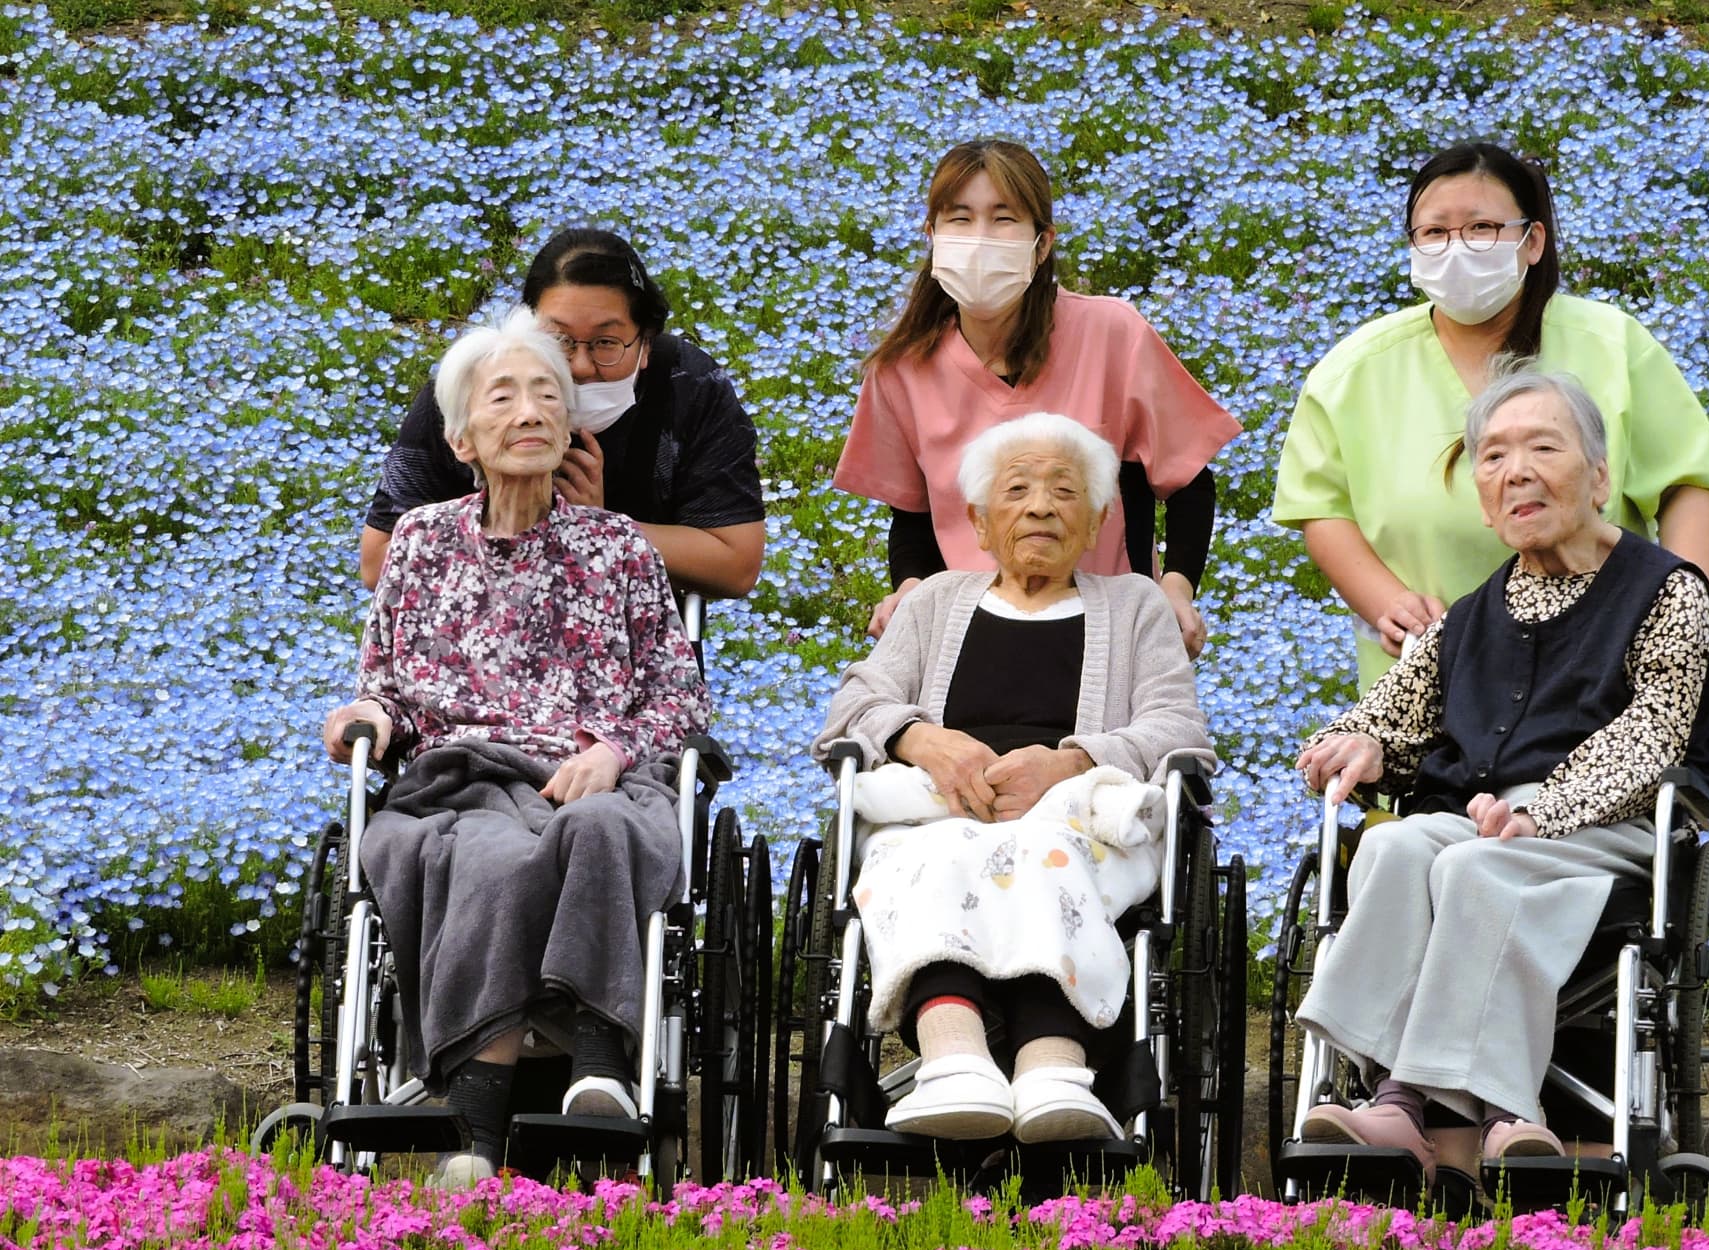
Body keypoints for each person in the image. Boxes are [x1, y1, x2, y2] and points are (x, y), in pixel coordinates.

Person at [1290, 366, 1709, 1179]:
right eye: (1491, 457)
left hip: (1610, 831)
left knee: (1471, 862)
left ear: (1599, 476)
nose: (1514, 470)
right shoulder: (1468, 614)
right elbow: (1395, 708)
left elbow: (1653, 732)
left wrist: (1547, 809)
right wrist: (1359, 742)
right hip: (1482, 823)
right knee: (1393, 848)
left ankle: (1495, 1108)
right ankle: (1392, 1102)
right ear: (1483, 501)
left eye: (1541, 447)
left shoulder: (1668, 593)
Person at [323, 306, 712, 1189]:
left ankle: (596, 1066)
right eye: (504, 397)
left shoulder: (617, 546)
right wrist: (369, 719)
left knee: (602, 831)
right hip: (459, 782)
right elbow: (383, 682)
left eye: (548, 394)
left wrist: (613, 750)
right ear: (463, 437)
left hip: (598, 778)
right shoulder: (419, 542)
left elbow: (680, 694)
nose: (531, 411)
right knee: (492, 852)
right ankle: (484, 1130)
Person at [816, 412, 1214, 1143]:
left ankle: (1051, 1070)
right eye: (1018, 489)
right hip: (943, 813)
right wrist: (923, 739)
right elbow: (854, 705)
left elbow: (1178, 730)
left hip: (1069, 816)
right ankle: (953, 1061)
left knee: (1044, 853)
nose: (1040, 506)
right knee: (931, 855)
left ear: (1097, 517)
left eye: (1065, 490)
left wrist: (1070, 761)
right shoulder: (934, 601)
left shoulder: (1135, 607)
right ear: (977, 517)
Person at [1272, 141, 1709, 694]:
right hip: (1435, 670)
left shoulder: (1613, 345)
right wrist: (1387, 602)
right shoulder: (1354, 371)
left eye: (1482, 228)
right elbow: (1322, 508)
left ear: (1532, 240)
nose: (1458, 249)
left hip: (1604, 660)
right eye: (1435, 233)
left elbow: (1686, 486)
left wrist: (1685, 612)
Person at [836, 139, 1241, 658]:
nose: (980, 239)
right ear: (933, 236)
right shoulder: (902, 368)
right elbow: (914, 518)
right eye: (960, 219)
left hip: (1108, 634)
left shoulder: (1112, 334)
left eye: (1003, 219)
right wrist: (910, 590)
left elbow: (1188, 482)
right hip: (970, 640)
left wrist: (1176, 591)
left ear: (1042, 243)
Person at [359, 228, 764, 601]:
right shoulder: (473, 382)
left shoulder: (686, 386)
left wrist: (599, 528)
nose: (582, 366)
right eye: (560, 341)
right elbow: (379, 562)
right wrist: (514, 530)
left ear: (646, 344)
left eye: (606, 342)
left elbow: (735, 564)